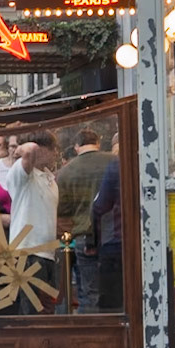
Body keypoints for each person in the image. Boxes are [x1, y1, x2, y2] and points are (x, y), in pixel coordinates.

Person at [0, 132, 61, 311]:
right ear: (40, 150)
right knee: (30, 311)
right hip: (28, 254)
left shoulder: (50, 179)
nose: (55, 153)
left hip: (47, 253)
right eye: (51, 149)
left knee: (46, 309)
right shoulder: (21, 174)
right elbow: (30, 150)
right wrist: (21, 147)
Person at [54, 129, 113, 310]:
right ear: (98, 143)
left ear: (76, 146)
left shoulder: (66, 172)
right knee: (117, 289)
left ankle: (93, 325)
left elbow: (62, 210)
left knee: (89, 292)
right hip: (114, 234)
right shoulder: (114, 163)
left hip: (83, 235)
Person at [90, 151, 123, 315]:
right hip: (150, 244)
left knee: (113, 307)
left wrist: (93, 242)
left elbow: (100, 207)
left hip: (118, 245)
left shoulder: (117, 166)